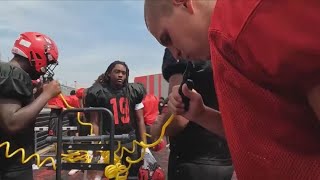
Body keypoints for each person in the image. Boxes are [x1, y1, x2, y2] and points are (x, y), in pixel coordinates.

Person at [144, 1, 320, 179]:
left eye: (167, 38)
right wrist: (201, 115)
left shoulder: (256, 14)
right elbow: (260, 138)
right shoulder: (223, 45)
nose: (175, 54)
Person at [151, 48, 233, 180]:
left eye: (166, 38)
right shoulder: (225, 47)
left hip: (191, 159)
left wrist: (157, 126)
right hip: (225, 157)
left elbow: (178, 120)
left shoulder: (181, 48)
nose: (174, 49)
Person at [0, 32, 61, 179]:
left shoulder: (8, 72)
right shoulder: (14, 74)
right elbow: (11, 123)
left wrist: (36, 97)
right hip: (11, 167)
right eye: (48, 62)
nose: (46, 67)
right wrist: (47, 94)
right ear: (37, 55)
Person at [85, 61, 147, 179]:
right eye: (117, 72)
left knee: (134, 172)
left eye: (123, 73)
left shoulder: (133, 91)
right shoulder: (98, 92)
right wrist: (96, 148)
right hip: (110, 140)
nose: (120, 75)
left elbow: (140, 120)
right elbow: (95, 123)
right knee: (112, 173)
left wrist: (145, 146)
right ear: (109, 74)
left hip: (130, 139)